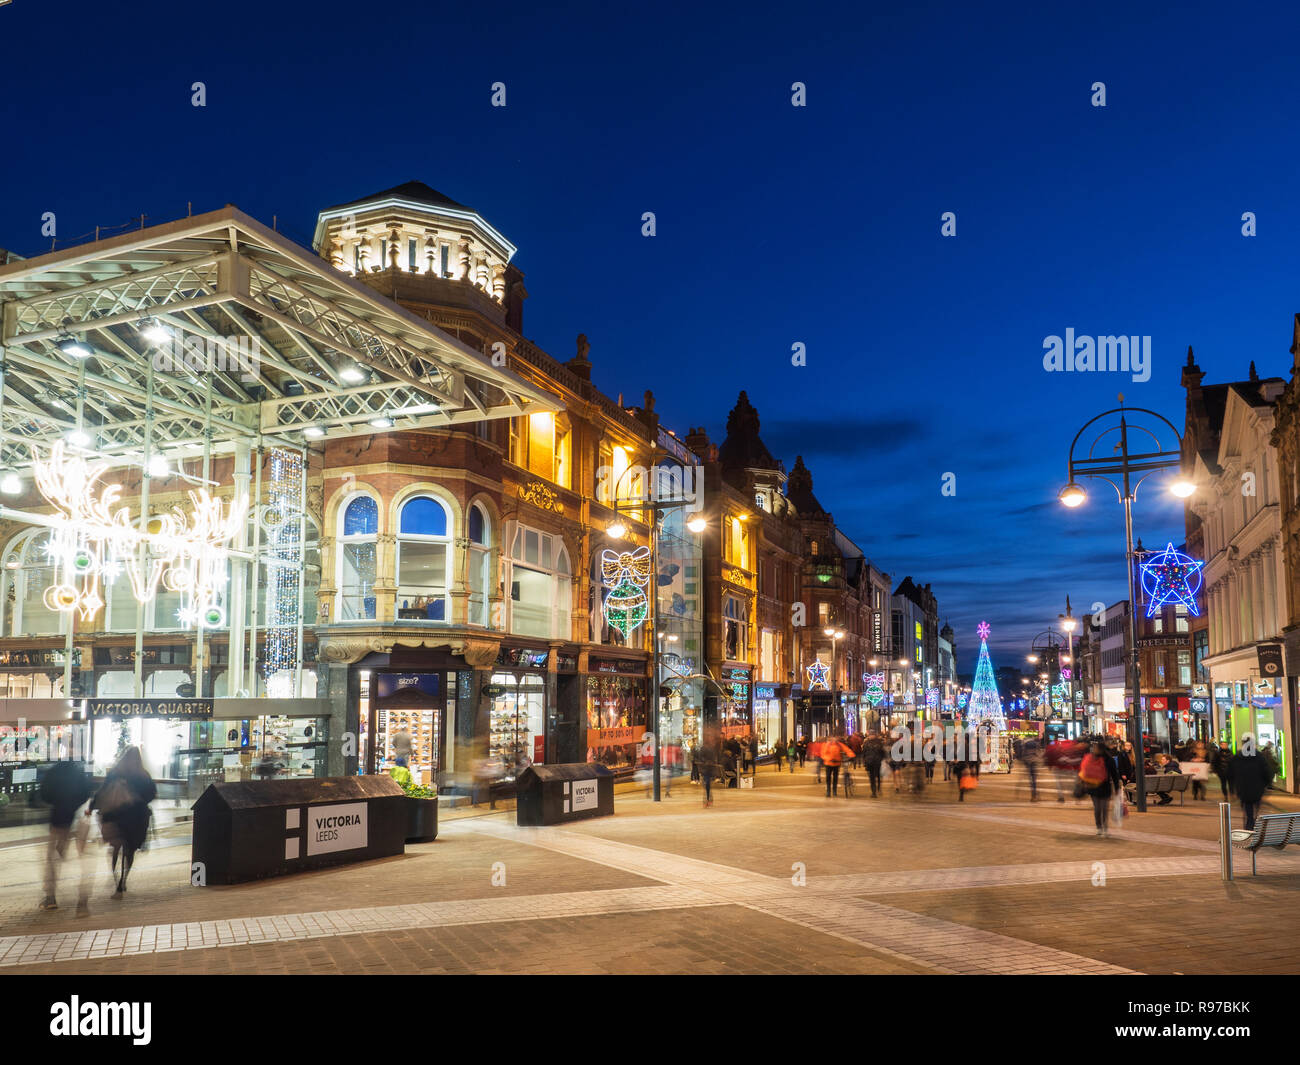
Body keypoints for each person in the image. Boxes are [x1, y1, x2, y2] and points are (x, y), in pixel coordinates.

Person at [90, 747, 157, 899]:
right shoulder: (142, 774)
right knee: (129, 851)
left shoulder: (116, 773)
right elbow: (151, 793)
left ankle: (116, 881)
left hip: (117, 817)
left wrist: (92, 806)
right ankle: (123, 881)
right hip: (136, 818)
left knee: (115, 849)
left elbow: (103, 791)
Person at [38, 759, 93, 915]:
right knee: (84, 858)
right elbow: (87, 792)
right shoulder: (79, 772)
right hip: (80, 818)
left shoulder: (55, 771)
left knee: (53, 858)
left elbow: (45, 793)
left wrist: (59, 802)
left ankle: (51, 898)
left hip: (60, 819)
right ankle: (83, 900)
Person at [1079, 739, 1121, 836]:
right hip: (1104, 787)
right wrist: (1116, 787)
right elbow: (1114, 774)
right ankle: (1103, 828)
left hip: (1094, 787)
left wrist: (1083, 783)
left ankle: (1100, 828)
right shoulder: (1109, 759)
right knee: (1103, 808)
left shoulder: (1091, 758)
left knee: (1098, 808)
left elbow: (1084, 771)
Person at [1231, 736, 1271, 830]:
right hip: (1257, 787)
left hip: (1243, 787)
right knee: (1256, 803)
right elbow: (1266, 771)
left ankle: (1249, 823)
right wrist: (1267, 783)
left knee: (1247, 805)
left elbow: (1230, 772)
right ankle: (1254, 820)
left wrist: (1233, 786)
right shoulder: (1259, 756)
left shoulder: (1238, 757)